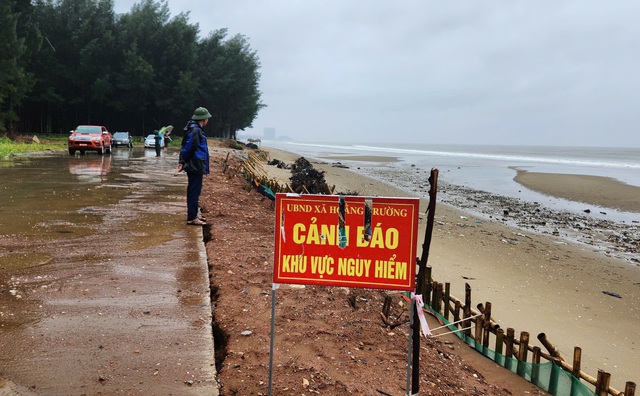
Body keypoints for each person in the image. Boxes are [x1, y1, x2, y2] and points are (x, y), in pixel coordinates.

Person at [178, 107, 211, 225]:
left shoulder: (194, 129)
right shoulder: (195, 130)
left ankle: (194, 214)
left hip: (196, 164)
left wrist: (182, 161)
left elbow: (184, 146)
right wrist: (183, 161)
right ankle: (192, 217)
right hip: (195, 165)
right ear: (204, 119)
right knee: (193, 191)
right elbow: (189, 147)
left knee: (194, 190)